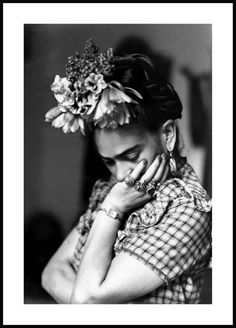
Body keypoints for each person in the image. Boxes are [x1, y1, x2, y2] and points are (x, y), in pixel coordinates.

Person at [41, 39, 212, 304]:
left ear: (167, 134)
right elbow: (51, 273)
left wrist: (113, 208)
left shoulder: (188, 210)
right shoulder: (114, 191)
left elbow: (88, 300)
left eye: (130, 156)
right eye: (108, 161)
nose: (120, 175)